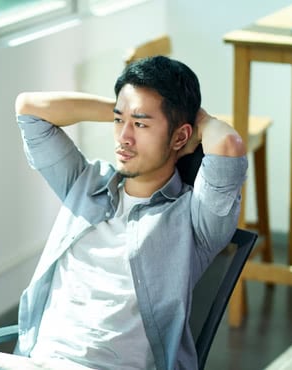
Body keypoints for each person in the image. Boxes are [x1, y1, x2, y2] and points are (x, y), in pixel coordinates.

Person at [13, 55, 247, 370]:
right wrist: (124, 110)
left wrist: (197, 121)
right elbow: (29, 108)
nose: (124, 137)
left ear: (180, 136)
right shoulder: (84, 184)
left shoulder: (194, 221)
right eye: (118, 121)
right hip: (38, 362)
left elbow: (229, 144)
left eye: (140, 124)